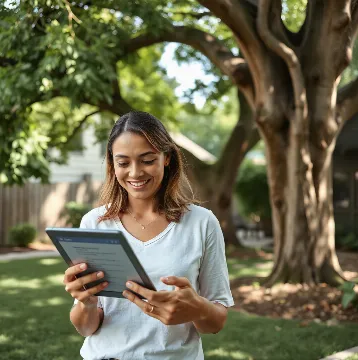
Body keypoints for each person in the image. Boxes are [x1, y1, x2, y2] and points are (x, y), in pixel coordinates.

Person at [63, 111, 234, 360]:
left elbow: (215, 323)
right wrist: (85, 302)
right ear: (113, 164)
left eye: (147, 160)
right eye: (123, 163)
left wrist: (197, 308)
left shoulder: (202, 223)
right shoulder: (94, 223)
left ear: (166, 158)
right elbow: (87, 328)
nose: (135, 173)